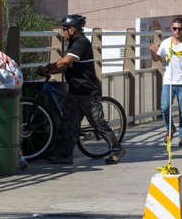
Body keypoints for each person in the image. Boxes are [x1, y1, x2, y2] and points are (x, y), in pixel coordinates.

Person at [43, 14, 126, 164]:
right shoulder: (73, 43)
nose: (62, 32)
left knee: (97, 123)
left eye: (64, 29)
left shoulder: (81, 42)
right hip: (74, 92)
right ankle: (65, 156)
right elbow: (66, 66)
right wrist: (49, 72)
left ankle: (116, 149)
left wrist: (49, 67)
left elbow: (66, 61)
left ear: (72, 30)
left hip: (88, 92)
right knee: (69, 124)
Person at [150, 17, 182, 147]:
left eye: (180, 29)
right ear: (171, 29)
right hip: (168, 81)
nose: (177, 31)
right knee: (165, 107)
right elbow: (156, 59)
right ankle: (170, 128)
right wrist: (152, 51)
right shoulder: (166, 42)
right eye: (175, 28)